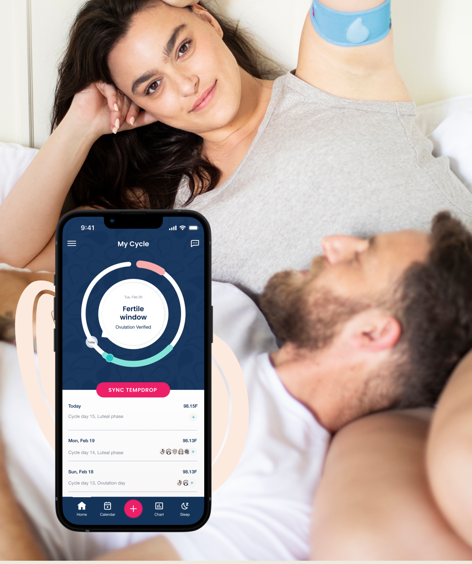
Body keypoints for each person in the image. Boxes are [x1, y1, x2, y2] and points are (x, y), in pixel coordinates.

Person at [1, 0, 471, 288]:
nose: (185, 84)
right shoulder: (166, 213)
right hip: (386, 376)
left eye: (182, 47)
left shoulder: (342, 80)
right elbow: (14, 256)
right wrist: (82, 123)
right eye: (152, 85)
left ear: (207, 21)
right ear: (138, 104)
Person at [1, 213, 472, 561]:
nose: (332, 241)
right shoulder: (219, 306)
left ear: (371, 334)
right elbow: (19, 304)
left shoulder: (278, 507)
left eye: (360, 256)